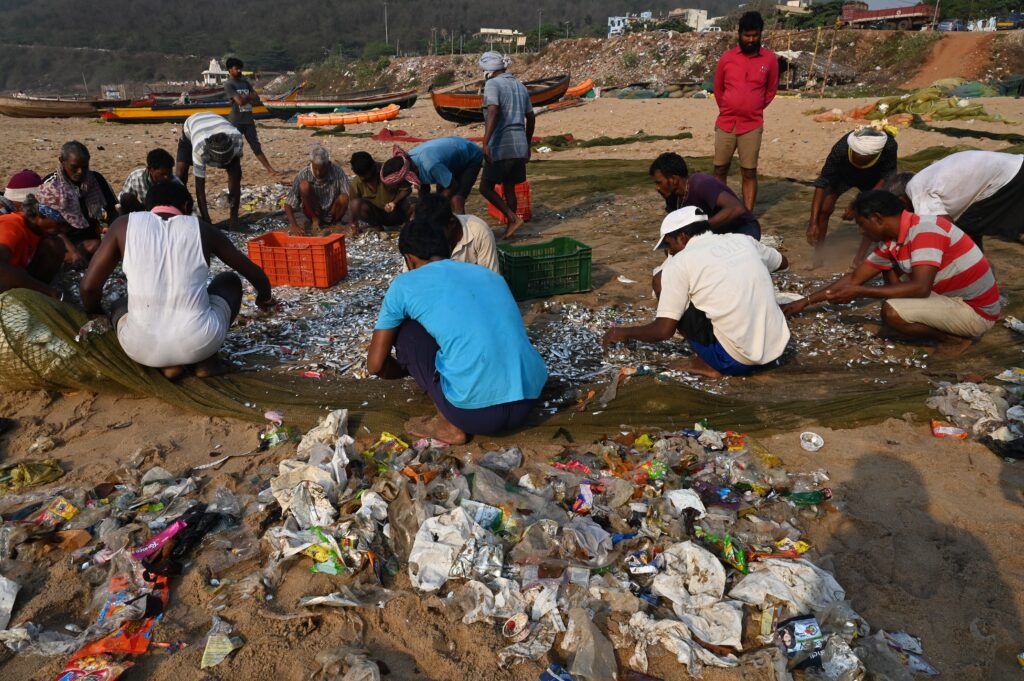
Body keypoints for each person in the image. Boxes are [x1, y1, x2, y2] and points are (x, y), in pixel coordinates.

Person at [366, 220, 547, 444]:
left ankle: (447, 423)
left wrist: (411, 370)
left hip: (474, 415)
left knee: (406, 331)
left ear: (410, 259)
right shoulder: (490, 275)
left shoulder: (404, 284)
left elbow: (375, 365)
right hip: (527, 400)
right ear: (448, 248)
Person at [81, 181, 275, 379]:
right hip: (201, 343)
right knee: (229, 280)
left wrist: (96, 313)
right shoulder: (201, 228)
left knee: (120, 304)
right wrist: (264, 298)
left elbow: (88, 287)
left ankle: (168, 367)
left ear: (148, 208)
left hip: (141, 348)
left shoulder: (123, 225)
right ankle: (207, 362)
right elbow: (253, 273)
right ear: (186, 207)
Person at [783, 190, 1000, 355]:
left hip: (976, 312)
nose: (861, 231)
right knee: (890, 298)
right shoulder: (893, 241)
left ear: (877, 218)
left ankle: (952, 339)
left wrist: (861, 292)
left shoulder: (925, 230)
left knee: (891, 311)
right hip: (951, 299)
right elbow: (854, 278)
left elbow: (920, 288)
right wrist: (805, 301)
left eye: (862, 224)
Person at [602, 206, 790, 378]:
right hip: (777, 349)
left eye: (669, 245)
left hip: (736, 362)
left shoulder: (680, 262)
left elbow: (664, 330)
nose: (670, 253)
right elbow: (783, 262)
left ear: (682, 236)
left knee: (660, 280)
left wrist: (623, 332)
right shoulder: (743, 240)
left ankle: (707, 363)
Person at [882, 150, 1024, 251]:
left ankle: (977, 274)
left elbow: (944, 229)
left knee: (963, 230)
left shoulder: (917, 190)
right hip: (1015, 167)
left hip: (1010, 177)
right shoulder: (925, 179)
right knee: (970, 226)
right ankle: (979, 269)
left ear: (901, 200)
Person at [713, 11, 778, 211]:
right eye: (747, 35)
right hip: (726, 123)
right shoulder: (727, 58)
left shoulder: (770, 60)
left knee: (749, 172)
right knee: (719, 169)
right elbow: (718, 89)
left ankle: (747, 215)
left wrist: (753, 107)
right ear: (739, 34)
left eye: (755, 36)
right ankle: (721, 210)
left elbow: (770, 91)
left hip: (752, 125)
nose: (751, 40)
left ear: (760, 35)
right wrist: (728, 107)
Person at [807, 128, 897, 263]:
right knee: (824, 208)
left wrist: (857, 205)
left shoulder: (889, 146)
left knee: (872, 214)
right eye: (858, 161)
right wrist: (812, 223)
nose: (861, 164)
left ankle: (858, 259)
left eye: (864, 162)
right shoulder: (841, 148)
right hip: (844, 174)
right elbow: (822, 182)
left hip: (873, 177)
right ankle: (818, 255)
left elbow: (887, 176)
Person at [476, 51, 535, 240]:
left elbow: (493, 110)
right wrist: (527, 143)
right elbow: (531, 117)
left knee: (485, 187)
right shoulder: (520, 86)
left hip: (501, 145)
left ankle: (512, 217)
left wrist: (485, 141)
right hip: (519, 146)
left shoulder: (492, 84)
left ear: (488, 70)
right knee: (509, 187)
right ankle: (511, 226)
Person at [649, 152, 761, 239]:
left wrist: (703, 227)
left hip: (743, 228)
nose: (657, 188)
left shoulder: (701, 183)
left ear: (673, 179)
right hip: (716, 234)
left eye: (659, 182)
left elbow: (737, 209)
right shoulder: (673, 197)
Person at [37, 141, 117, 260]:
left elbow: (112, 211)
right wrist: (73, 252)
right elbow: (50, 228)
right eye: (74, 167)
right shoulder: (51, 185)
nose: (80, 171)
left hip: (90, 237)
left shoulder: (96, 180)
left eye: (84, 167)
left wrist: (111, 233)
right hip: (62, 241)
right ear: (62, 161)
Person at [175, 112, 244, 231]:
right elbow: (199, 188)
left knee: (235, 174)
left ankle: (234, 219)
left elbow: (236, 179)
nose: (221, 165)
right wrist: (208, 222)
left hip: (216, 122)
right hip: (191, 128)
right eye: (219, 161)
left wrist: (234, 221)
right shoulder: (199, 148)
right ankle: (181, 212)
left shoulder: (237, 139)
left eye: (225, 160)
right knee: (180, 175)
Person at [381, 138, 484, 214]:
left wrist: (432, 205)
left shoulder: (431, 165)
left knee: (456, 200)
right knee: (441, 202)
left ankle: (464, 235)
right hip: (448, 162)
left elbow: (452, 186)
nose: (400, 187)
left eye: (399, 184)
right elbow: (423, 189)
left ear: (408, 176)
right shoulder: (411, 164)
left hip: (469, 156)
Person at [0, 195, 68, 297]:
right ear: (40, 215)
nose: (64, 230)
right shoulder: (12, 226)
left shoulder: (37, 231)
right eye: (61, 224)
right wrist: (47, 291)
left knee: (55, 245)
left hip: (14, 278)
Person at [411, 194, 499, 272]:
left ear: (451, 224)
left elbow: (490, 280)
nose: (430, 238)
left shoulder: (479, 232)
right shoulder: (419, 233)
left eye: (435, 233)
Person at [224, 57, 278, 176]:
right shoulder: (228, 84)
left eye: (240, 68)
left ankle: (269, 169)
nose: (239, 70)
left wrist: (247, 97)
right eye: (236, 68)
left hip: (248, 120)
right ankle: (232, 171)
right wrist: (249, 97)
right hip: (236, 121)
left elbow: (256, 96)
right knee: (233, 147)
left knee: (255, 145)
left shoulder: (245, 82)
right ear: (229, 70)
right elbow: (240, 102)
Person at [283, 144, 351, 235]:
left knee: (344, 197)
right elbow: (288, 204)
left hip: (333, 210)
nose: (318, 173)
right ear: (311, 164)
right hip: (313, 211)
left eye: (322, 169)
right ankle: (315, 219)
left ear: (328, 164)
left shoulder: (337, 172)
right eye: (316, 169)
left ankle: (335, 222)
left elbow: (349, 197)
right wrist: (294, 225)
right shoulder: (304, 173)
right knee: (304, 185)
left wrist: (353, 223)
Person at [349, 151, 414, 231]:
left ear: (373, 167)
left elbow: (407, 190)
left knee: (414, 210)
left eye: (366, 176)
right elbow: (353, 206)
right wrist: (353, 223)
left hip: (397, 211)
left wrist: (394, 202)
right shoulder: (357, 182)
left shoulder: (388, 170)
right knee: (355, 204)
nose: (363, 179)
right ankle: (377, 227)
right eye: (361, 176)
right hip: (378, 216)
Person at [120, 148, 187, 214]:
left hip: (165, 216)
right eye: (162, 174)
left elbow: (187, 207)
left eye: (169, 173)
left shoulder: (176, 183)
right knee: (126, 198)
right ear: (150, 170)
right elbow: (122, 200)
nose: (166, 177)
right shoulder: (135, 177)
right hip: (143, 214)